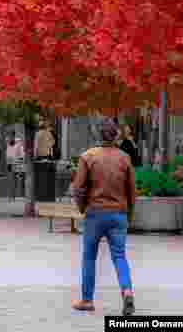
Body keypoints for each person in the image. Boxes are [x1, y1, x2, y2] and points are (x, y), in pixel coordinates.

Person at [70, 119, 136, 316]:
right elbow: (132, 191)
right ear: (116, 136)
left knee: (89, 256)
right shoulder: (124, 158)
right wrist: (129, 214)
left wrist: (83, 208)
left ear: (98, 136)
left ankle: (87, 300)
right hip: (118, 214)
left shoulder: (88, 157)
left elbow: (78, 188)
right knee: (119, 255)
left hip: (95, 214)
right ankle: (127, 290)